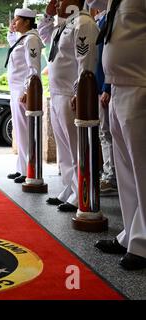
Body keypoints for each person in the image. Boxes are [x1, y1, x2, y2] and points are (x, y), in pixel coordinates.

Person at [95, 0, 146, 270]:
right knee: (126, 173)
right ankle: (131, 235)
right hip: (117, 87)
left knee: (142, 170)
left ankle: (144, 243)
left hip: (140, 85)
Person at [38, 0, 99, 212]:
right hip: (56, 93)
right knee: (64, 149)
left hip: (69, 94)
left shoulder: (83, 23)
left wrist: (79, 91)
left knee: (76, 148)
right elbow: (43, 36)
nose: (55, 3)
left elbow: (86, 60)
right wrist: (47, 15)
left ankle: (79, 193)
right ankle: (69, 187)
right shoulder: (63, 25)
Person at [5, 8, 44, 183]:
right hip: (15, 90)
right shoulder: (22, 39)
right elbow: (12, 43)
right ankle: (22, 168)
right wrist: (11, 30)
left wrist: (28, 90)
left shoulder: (32, 39)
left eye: (17, 20)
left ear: (27, 21)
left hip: (23, 90)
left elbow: (33, 67)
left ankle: (29, 169)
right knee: (20, 132)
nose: (14, 23)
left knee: (26, 131)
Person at [87, 0, 118, 196]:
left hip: (106, 87)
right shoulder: (102, 19)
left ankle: (111, 176)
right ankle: (109, 173)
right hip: (99, 86)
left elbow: (110, 55)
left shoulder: (109, 17)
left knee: (107, 134)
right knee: (103, 133)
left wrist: (106, 87)